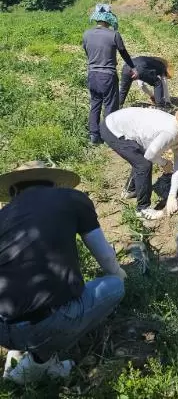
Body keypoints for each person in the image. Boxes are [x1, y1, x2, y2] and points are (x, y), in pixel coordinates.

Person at [0, 161, 126, 385]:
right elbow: (106, 258)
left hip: (3, 327)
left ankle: (19, 352)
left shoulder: (4, 214)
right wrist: (119, 274)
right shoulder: (71, 199)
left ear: (14, 191)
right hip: (45, 324)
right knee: (114, 287)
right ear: (54, 183)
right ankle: (40, 362)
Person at [100, 108, 178, 221]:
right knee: (143, 164)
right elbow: (149, 155)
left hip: (123, 126)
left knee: (139, 159)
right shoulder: (171, 133)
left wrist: (172, 196)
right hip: (113, 129)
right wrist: (164, 163)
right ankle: (142, 209)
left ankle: (129, 191)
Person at [82, 4, 137, 145]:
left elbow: (87, 53)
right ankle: (108, 135)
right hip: (108, 75)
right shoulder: (114, 35)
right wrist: (133, 67)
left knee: (95, 104)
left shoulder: (87, 34)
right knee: (110, 106)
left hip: (92, 74)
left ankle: (94, 136)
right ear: (109, 19)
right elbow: (124, 53)